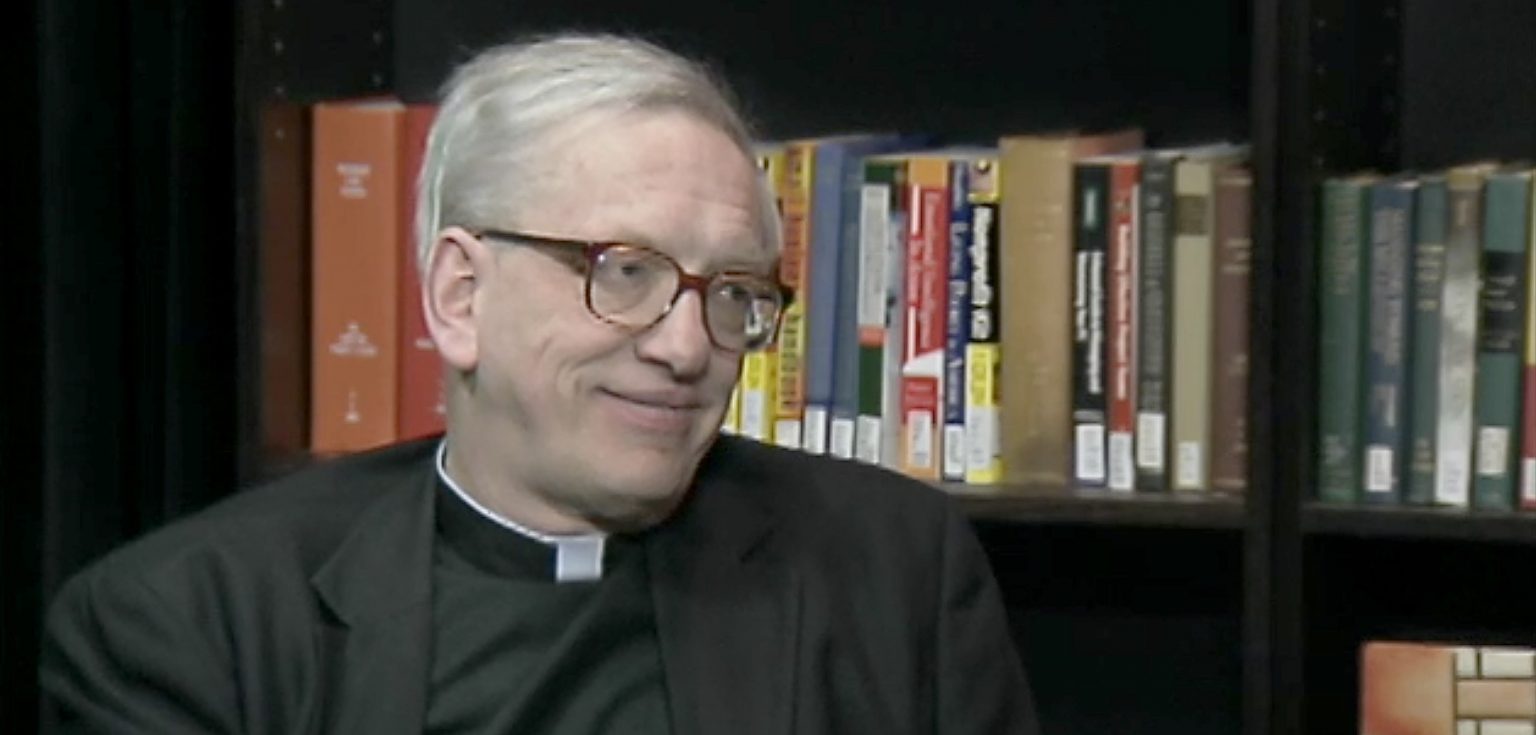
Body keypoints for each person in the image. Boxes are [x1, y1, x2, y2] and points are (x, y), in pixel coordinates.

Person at [40, 32, 1039, 734]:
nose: (688, 348)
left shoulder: (892, 569)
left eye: (730, 291)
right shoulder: (185, 623)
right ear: (460, 295)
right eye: (626, 273)